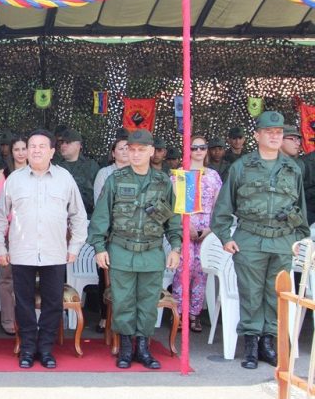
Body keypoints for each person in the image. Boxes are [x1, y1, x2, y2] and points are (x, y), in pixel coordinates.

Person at [210, 111, 309, 370]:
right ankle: (251, 346)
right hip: (250, 240)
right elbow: (222, 208)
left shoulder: (293, 168)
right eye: (269, 132)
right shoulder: (241, 167)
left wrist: (299, 239)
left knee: (275, 295)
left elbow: (300, 208)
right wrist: (225, 237)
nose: (275, 137)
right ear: (257, 135)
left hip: (282, 241)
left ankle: (268, 344)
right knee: (251, 294)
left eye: (279, 133)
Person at [0, 129, 87, 369]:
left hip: (54, 252)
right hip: (21, 252)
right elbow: (0, 216)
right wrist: (0, 247)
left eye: (42, 146)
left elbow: (78, 215)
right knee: (23, 303)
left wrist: (75, 246)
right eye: (32, 146)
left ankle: (45, 349)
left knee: (52, 303)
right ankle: (27, 348)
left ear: (52, 151)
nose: (35, 150)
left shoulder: (65, 178)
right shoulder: (15, 179)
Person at [87, 129, 182, 370]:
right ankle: (126, 348)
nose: (136, 154)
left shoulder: (163, 182)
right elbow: (101, 217)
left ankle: (144, 347)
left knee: (148, 303)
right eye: (132, 149)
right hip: (122, 251)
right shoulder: (116, 180)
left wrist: (176, 247)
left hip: (151, 253)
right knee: (123, 302)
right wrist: (99, 247)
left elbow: (173, 220)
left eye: (141, 150)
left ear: (152, 152)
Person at [171, 136, 222, 333]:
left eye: (202, 147)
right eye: (194, 148)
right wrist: (186, 226)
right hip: (185, 226)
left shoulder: (213, 176)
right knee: (184, 268)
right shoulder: (180, 174)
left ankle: (195, 313)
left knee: (201, 271)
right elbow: (174, 205)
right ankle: (178, 312)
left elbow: (219, 206)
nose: (198, 151)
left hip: (207, 228)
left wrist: (209, 229)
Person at [91, 137, 131, 333]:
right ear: (113, 153)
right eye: (120, 148)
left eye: (128, 148)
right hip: (109, 234)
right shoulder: (105, 173)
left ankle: (126, 319)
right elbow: (100, 204)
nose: (125, 151)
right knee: (105, 277)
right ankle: (105, 316)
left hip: (132, 234)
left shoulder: (139, 172)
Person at [0, 135, 28, 336]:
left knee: (27, 279)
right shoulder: (3, 174)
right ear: (11, 153)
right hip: (8, 234)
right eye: (17, 149)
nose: (21, 153)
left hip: (31, 235)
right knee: (7, 279)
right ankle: (8, 320)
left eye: (24, 148)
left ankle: (27, 320)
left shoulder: (36, 172)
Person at [58, 128, 99, 219]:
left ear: (79, 145)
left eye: (68, 142)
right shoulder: (56, 167)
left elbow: (99, 194)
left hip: (86, 217)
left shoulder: (91, 166)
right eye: (62, 142)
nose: (63, 145)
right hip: (61, 218)